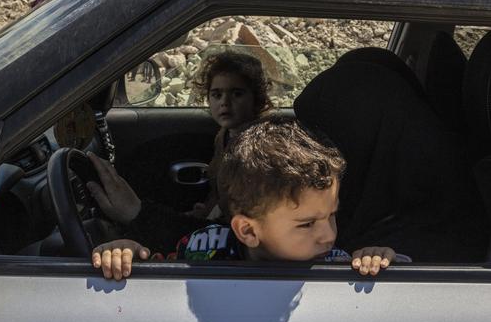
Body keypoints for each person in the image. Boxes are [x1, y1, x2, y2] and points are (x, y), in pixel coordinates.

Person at [91, 116, 401, 280]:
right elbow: (157, 274)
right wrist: (126, 254)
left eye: (331, 215)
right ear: (248, 231)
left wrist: (378, 258)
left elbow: (401, 279)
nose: (329, 235)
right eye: (307, 224)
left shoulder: (338, 266)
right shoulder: (202, 250)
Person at [86, 51, 274, 249]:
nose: (224, 102)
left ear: (258, 99)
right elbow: (218, 191)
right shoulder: (224, 135)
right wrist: (207, 210)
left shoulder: (260, 149)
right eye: (217, 94)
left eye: (237, 94)